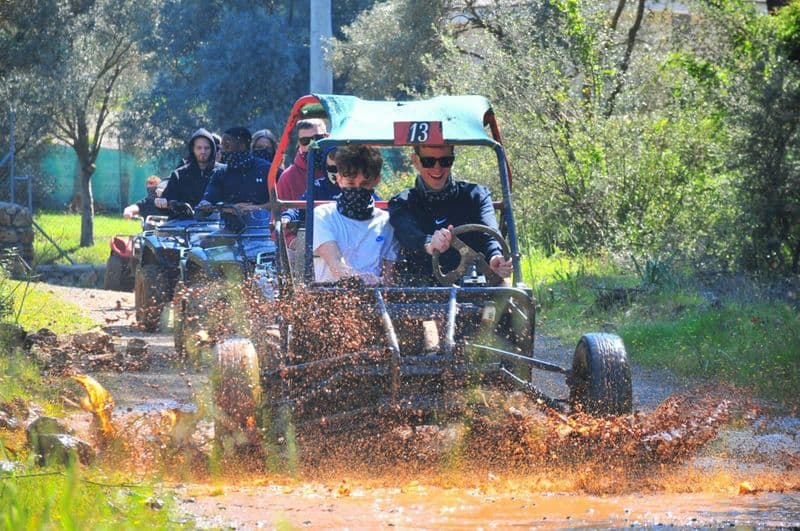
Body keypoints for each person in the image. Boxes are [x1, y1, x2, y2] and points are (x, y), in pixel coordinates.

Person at [388, 144, 513, 284]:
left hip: (474, 286)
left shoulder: (476, 196)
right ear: (416, 161)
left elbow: (489, 234)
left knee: (506, 287)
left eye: (445, 161)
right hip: (420, 290)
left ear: (452, 160)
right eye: (428, 161)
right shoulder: (402, 203)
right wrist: (429, 243)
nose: (437, 168)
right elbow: (408, 234)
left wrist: (495, 257)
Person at [313, 145, 397, 284]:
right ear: (339, 179)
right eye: (351, 184)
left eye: (364, 184)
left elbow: (389, 278)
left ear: (376, 180)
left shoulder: (386, 223)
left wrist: (379, 283)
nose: (357, 189)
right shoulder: (323, 216)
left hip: (375, 297)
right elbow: (336, 265)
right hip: (329, 295)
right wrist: (362, 279)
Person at [199, 126, 271, 228]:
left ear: (242, 146)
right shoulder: (221, 173)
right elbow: (206, 201)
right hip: (229, 232)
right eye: (222, 146)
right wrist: (230, 209)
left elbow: (280, 201)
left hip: (264, 232)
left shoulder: (267, 169)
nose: (223, 150)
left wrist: (256, 208)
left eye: (227, 146)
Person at [156, 128, 221, 217]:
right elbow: (167, 204)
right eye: (199, 148)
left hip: (216, 225)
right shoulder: (179, 174)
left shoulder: (223, 172)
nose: (203, 151)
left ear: (212, 149)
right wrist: (162, 203)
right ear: (192, 149)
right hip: (184, 225)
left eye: (206, 148)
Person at [276, 118, 328, 201]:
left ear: (327, 137)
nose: (312, 145)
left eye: (317, 138)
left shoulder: (341, 169)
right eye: (305, 140)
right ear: (299, 143)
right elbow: (279, 212)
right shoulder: (288, 177)